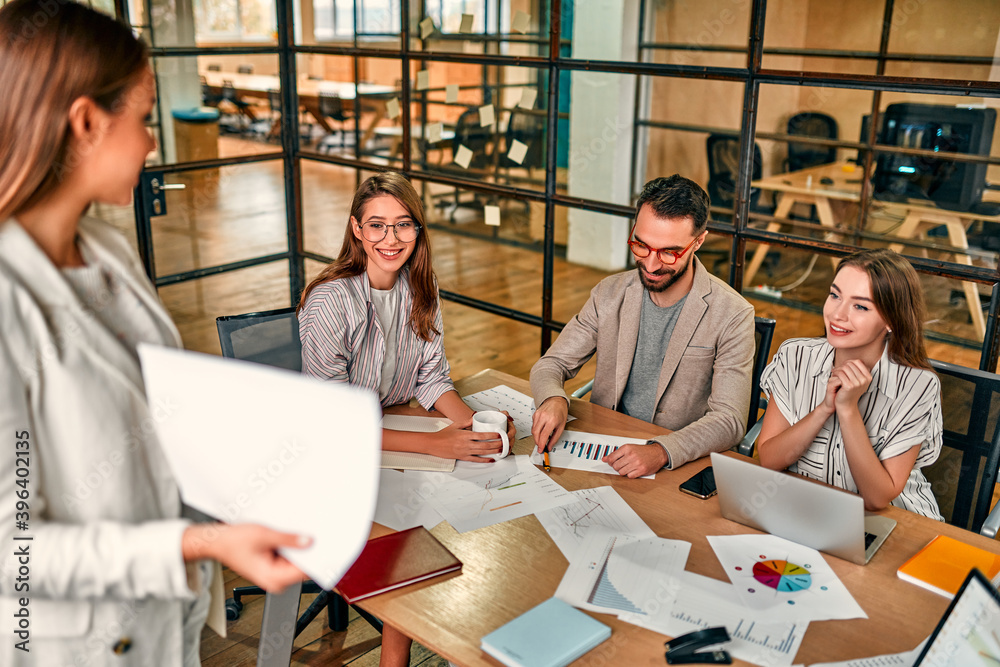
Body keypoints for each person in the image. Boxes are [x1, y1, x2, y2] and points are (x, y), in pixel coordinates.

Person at [0, 2, 309, 665]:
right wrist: (193, 545)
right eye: (141, 118)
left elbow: (156, 408)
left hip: (165, 627)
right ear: (84, 122)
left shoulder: (108, 249)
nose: (151, 142)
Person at [297, 171, 514, 667]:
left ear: (418, 230)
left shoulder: (421, 286)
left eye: (403, 225)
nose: (390, 240)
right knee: (409, 541)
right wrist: (437, 445)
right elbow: (335, 421)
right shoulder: (331, 301)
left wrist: (474, 422)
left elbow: (430, 377)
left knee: (466, 503)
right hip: (332, 451)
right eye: (376, 226)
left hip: (394, 431)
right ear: (356, 229)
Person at [530, 174, 755, 478]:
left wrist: (662, 450)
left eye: (669, 252)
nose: (650, 265)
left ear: (699, 241)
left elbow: (730, 419)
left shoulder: (733, 314)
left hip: (676, 461)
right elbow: (552, 364)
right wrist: (554, 398)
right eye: (641, 246)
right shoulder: (609, 294)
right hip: (603, 450)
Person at [757, 249, 943, 519]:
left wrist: (848, 409)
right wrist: (824, 409)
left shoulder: (917, 386)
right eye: (835, 295)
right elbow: (769, 459)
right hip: (809, 510)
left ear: (891, 320)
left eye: (860, 306)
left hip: (894, 521)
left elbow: (878, 498)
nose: (838, 314)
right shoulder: (795, 356)